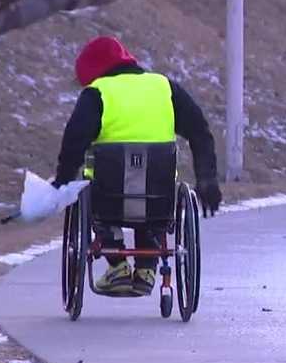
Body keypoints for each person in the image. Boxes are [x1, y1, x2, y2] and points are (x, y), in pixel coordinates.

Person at [53, 36, 222, 296]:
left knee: (98, 187)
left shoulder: (97, 93)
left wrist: (62, 182)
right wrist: (207, 179)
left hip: (106, 198)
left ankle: (117, 267)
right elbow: (200, 133)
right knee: (149, 194)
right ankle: (146, 269)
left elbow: (74, 143)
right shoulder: (164, 88)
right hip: (158, 198)